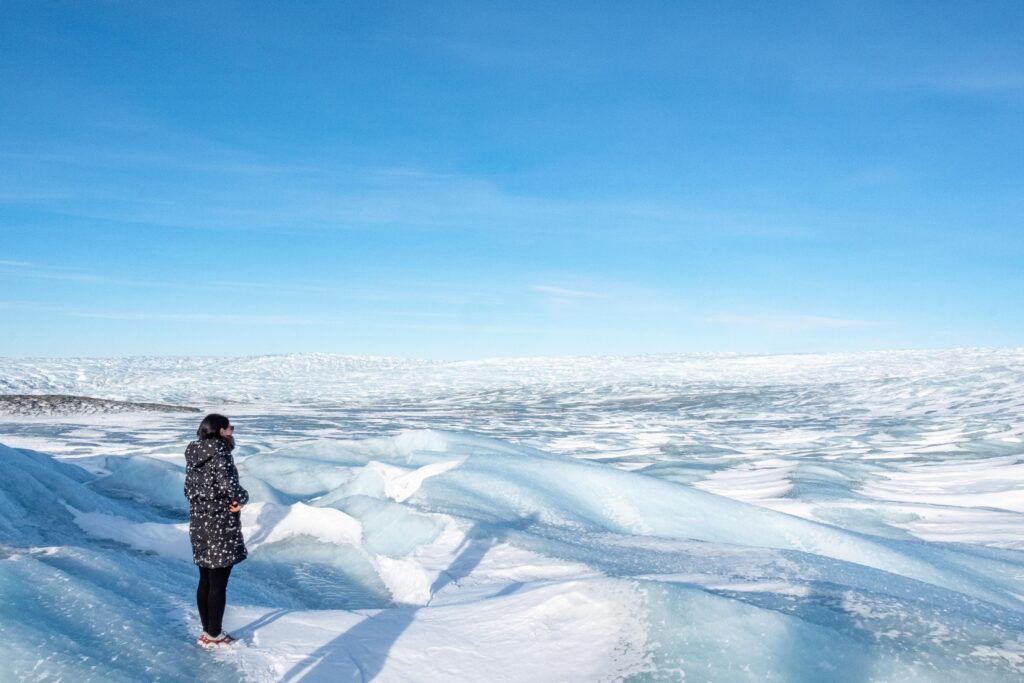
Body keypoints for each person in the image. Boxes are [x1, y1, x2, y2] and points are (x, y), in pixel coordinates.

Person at [184, 413, 249, 648]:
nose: (232, 431)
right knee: (219, 581)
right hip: (220, 523)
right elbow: (228, 484)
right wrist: (241, 498)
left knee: (205, 579)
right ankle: (214, 635)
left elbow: (188, 490)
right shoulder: (220, 454)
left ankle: (207, 631)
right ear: (220, 431)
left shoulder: (194, 456)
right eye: (230, 427)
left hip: (200, 522)